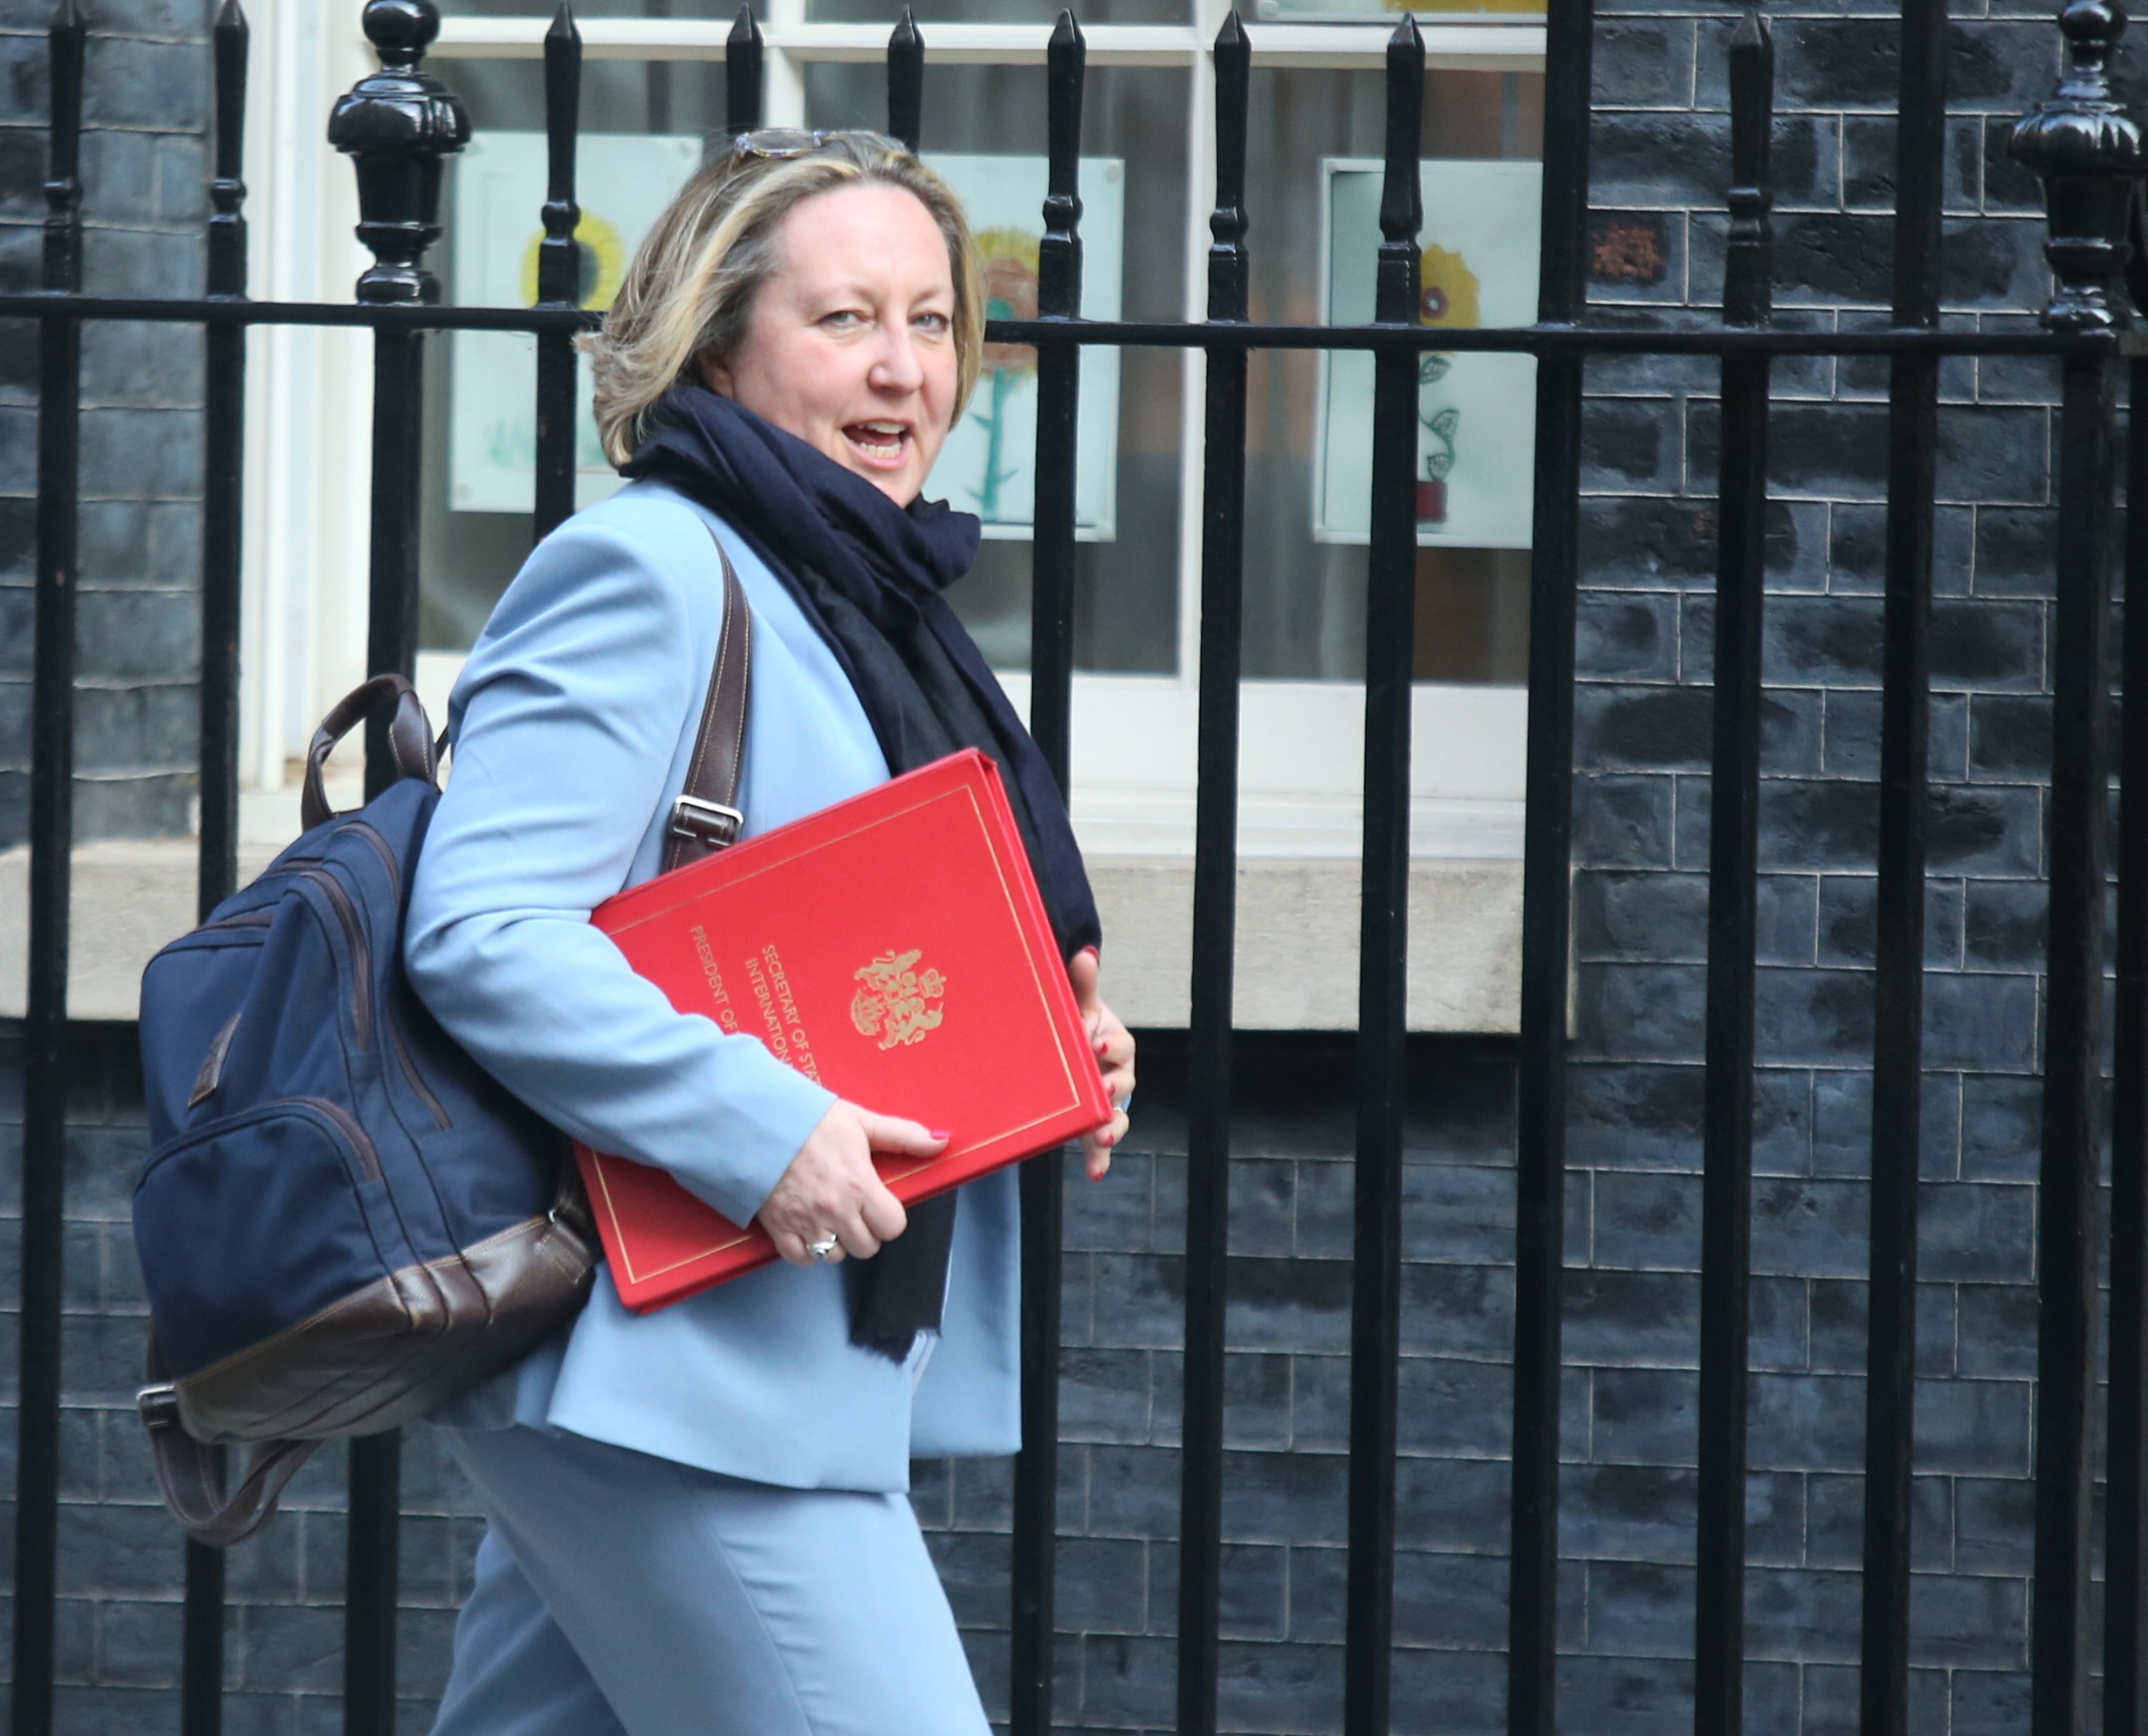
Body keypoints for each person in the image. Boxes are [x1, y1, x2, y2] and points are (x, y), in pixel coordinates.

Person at [404, 130, 1136, 1736]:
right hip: (671, 1386)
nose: (902, 371)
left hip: (730, 1370)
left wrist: (1047, 1038)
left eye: (933, 321)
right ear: (718, 340)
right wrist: (769, 1124)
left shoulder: (857, 596)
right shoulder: (651, 569)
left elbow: (859, 939)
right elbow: (482, 929)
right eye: (845, 320)